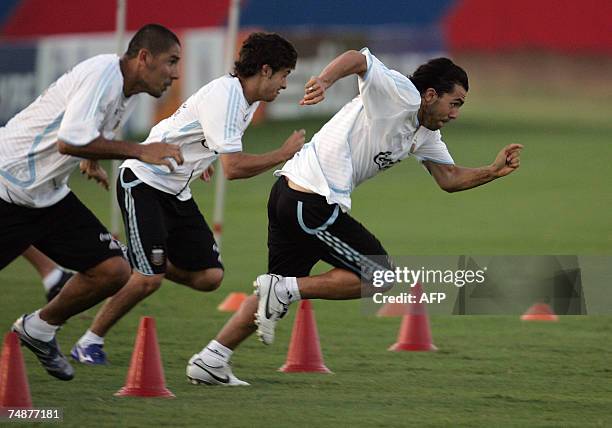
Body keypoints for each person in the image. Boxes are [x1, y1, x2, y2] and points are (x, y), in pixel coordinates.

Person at [185, 48, 523, 385]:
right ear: (431, 95)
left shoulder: (425, 134)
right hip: (310, 198)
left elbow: (448, 179)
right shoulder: (401, 93)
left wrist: (492, 171)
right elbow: (359, 59)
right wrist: (325, 81)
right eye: (455, 103)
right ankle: (284, 289)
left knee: (275, 296)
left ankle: (212, 358)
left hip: (295, 197)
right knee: (377, 274)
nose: (456, 113)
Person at [70, 32, 304, 368]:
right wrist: (282, 153)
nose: (284, 85)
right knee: (148, 278)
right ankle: (89, 341)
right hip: (143, 180)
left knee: (210, 277)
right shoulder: (227, 96)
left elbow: (191, 131)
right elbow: (234, 168)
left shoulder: (246, 100)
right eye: (285, 75)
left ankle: (140, 256)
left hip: (176, 189)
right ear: (265, 70)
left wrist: (201, 160)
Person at [2, 23, 185, 381]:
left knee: (112, 270)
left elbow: (87, 135)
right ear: (144, 57)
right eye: (171, 62)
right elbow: (69, 141)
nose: (176, 73)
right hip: (8, 185)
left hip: (48, 196)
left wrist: (92, 159)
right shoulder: (104, 75)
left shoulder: (128, 91)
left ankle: (38, 329)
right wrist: (140, 151)